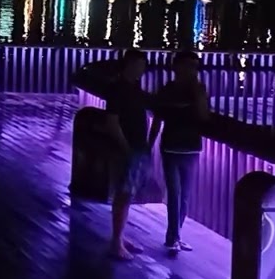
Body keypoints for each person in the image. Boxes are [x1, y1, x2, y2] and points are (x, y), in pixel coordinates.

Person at [72, 49, 157, 260]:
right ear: (127, 66)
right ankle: (116, 243)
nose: (141, 70)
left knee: (126, 194)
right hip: (127, 149)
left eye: (142, 66)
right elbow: (112, 122)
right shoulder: (118, 89)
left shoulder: (132, 87)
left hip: (135, 147)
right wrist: (125, 147)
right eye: (137, 66)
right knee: (123, 194)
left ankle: (119, 238)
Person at [150, 50, 210, 252]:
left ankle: (175, 235)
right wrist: (150, 144)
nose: (192, 71)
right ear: (177, 67)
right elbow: (158, 118)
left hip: (189, 147)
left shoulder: (196, 89)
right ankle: (173, 236)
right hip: (174, 147)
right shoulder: (169, 90)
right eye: (188, 66)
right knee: (176, 193)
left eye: (194, 67)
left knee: (183, 195)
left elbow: (203, 115)